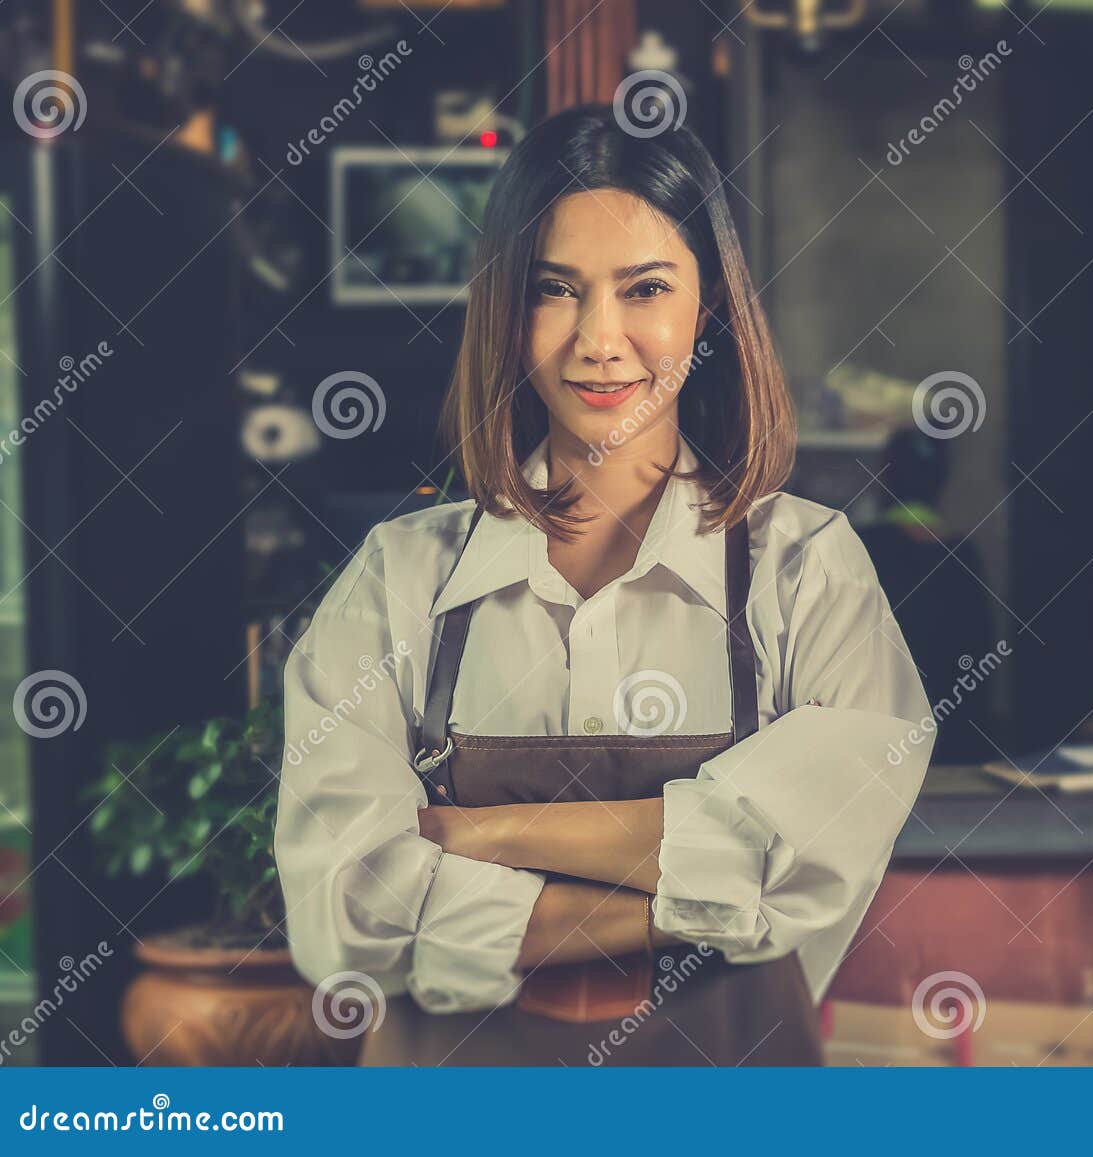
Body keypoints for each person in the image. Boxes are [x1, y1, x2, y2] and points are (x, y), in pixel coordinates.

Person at [272, 104, 934, 1066]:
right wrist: (708, 887)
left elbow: (812, 864)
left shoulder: (806, 567)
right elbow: (350, 913)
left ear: (705, 308)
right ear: (506, 309)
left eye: (645, 288)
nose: (599, 337)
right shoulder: (399, 577)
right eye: (555, 290)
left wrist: (487, 835)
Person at [856, 427, 1000, 764]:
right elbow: (981, 652)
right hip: (954, 742)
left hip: (880, 741)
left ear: (883, 477)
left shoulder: (860, 546)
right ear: (942, 480)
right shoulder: (963, 555)